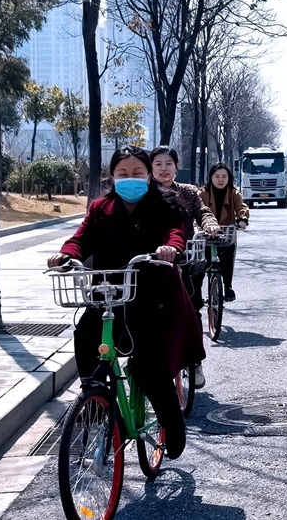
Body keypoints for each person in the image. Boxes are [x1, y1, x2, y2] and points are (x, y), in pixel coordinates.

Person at [47, 146, 205, 460]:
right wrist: (66, 254)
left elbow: (175, 233)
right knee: (85, 335)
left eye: (136, 173)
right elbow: (80, 239)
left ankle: (172, 421)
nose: (129, 178)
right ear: (113, 176)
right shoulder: (100, 208)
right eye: (122, 173)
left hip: (151, 298)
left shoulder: (165, 205)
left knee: (149, 366)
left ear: (147, 176)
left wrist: (170, 249)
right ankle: (94, 400)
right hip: (108, 294)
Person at [150, 145, 219, 389]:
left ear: (177, 167)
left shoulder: (188, 192)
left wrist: (210, 225)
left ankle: (194, 361)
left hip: (187, 260)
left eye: (168, 164)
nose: (164, 169)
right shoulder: (145, 192)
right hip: (153, 262)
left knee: (192, 309)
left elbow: (203, 212)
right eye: (158, 164)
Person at [197, 163, 249, 302]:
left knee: (228, 257)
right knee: (200, 263)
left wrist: (242, 219)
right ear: (211, 177)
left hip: (226, 234)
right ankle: (196, 293)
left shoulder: (233, 193)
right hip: (205, 234)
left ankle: (227, 286)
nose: (220, 180)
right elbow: (195, 210)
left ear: (229, 178)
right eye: (217, 176)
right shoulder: (202, 193)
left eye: (224, 176)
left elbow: (242, 208)